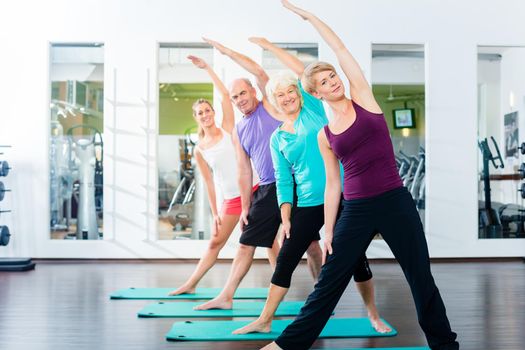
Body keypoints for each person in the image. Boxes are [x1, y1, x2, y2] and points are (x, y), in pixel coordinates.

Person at [262, 1, 459, 349]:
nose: (332, 82)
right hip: (356, 208)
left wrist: (310, 18)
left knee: (420, 278)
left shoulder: (364, 99)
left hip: (395, 202)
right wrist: (330, 228)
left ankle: (445, 345)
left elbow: (339, 47)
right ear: (316, 93)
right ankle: (285, 345)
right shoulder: (325, 134)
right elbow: (333, 184)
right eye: (323, 81)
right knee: (330, 282)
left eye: (332, 75)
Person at [232, 38, 389, 335]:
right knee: (287, 259)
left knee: (357, 261)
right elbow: (284, 180)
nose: (288, 97)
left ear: (300, 93)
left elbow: (302, 70)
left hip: (340, 197)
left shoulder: (314, 109)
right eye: (281, 94)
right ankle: (265, 320)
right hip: (305, 204)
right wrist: (286, 216)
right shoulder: (277, 138)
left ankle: (373, 314)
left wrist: (270, 47)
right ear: (275, 101)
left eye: (291, 90)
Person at [194, 38, 323, 310]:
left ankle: (320, 296)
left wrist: (228, 51)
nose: (240, 100)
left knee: (312, 244)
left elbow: (259, 71)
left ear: (253, 91)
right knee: (245, 244)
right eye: (234, 97)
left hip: (296, 184)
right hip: (266, 189)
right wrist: (244, 207)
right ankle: (226, 295)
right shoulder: (239, 130)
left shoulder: (270, 106)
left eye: (242, 93)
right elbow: (243, 170)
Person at [168, 55, 258, 296]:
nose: (205, 114)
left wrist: (207, 67)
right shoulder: (199, 149)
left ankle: (281, 289)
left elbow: (225, 96)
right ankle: (190, 284)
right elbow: (208, 181)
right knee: (215, 243)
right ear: (195, 118)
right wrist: (215, 211)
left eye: (208, 110)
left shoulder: (228, 127)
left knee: (269, 244)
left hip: (254, 192)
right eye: (200, 113)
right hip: (230, 199)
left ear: (213, 112)